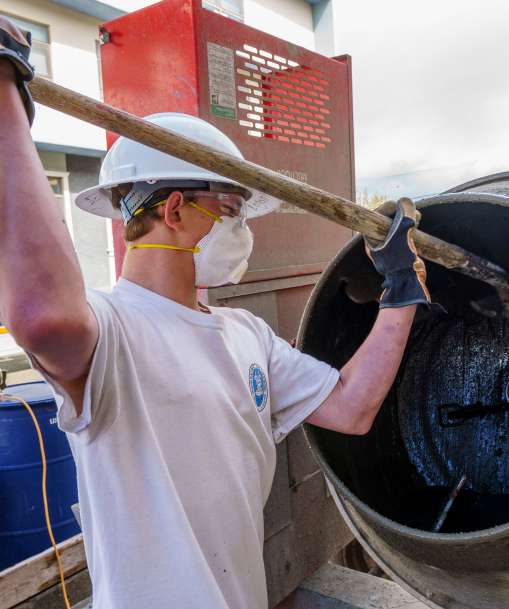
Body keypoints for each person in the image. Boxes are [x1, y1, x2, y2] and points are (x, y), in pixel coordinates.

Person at [0, 18, 430, 609]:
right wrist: (5, 96)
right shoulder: (110, 331)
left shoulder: (244, 334)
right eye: (231, 207)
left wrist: (401, 291)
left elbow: (353, 408)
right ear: (174, 210)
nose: (242, 228)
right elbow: (42, 316)